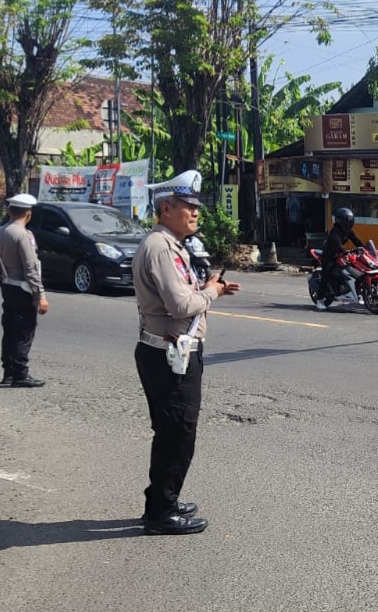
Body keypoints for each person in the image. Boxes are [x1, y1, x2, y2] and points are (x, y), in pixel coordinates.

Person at [133, 170, 241, 536]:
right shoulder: (161, 247)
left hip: (169, 351)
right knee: (177, 434)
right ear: (166, 208)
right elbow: (180, 305)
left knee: (172, 432)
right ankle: (161, 513)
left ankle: (162, 500)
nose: (195, 213)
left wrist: (209, 288)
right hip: (169, 355)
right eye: (187, 206)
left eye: (196, 207)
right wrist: (212, 293)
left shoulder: (170, 244)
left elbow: (182, 295)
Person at [0, 193, 49, 388]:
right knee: (24, 331)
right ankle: (20, 374)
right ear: (28, 214)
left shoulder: (0, 232)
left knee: (9, 329)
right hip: (22, 288)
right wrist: (40, 295)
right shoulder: (23, 235)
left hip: (7, 285)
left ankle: (8, 372)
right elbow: (31, 268)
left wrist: (2, 282)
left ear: (9, 212)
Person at [315, 207, 363, 311]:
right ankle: (319, 300)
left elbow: (357, 241)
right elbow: (337, 244)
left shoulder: (348, 231)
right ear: (341, 220)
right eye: (347, 220)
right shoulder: (335, 231)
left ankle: (357, 293)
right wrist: (345, 252)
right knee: (326, 275)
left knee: (355, 270)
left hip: (340, 255)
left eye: (350, 220)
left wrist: (364, 249)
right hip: (329, 256)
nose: (349, 222)